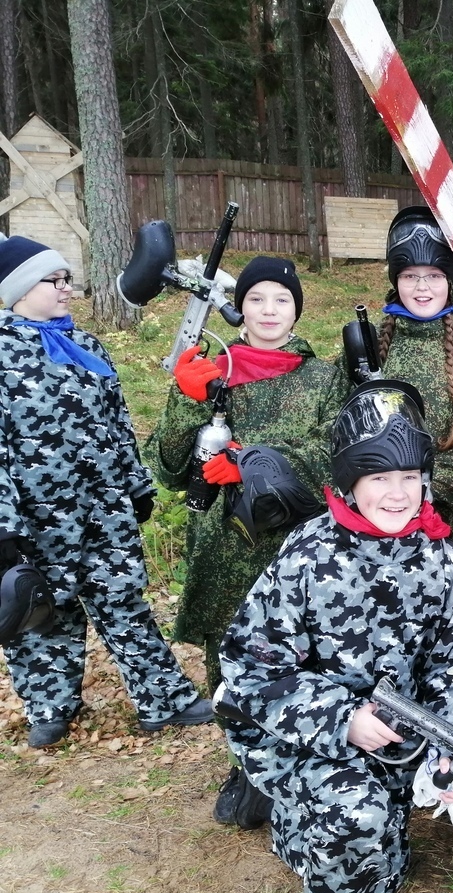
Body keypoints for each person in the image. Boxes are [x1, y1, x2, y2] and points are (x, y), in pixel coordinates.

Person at [219, 379, 453, 893]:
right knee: (359, 817)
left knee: (392, 849)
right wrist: (342, 719)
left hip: (403, 734)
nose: (397, 495)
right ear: (350, 481)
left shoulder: (443, 557)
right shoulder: (306, 554)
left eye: (409, 479)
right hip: (312, 737)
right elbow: (248, 666)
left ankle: (321, 825)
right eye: (379, 479)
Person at [148, 256, 345, 824]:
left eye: (281, 300)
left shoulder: (324, 377)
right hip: (223, 548)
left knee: (305, 654)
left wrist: (253, 464)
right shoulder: (213, 374)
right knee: (229, 659)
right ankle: (248, 763)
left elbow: (335, 460)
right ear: (240, 308)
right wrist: (185, 399)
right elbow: (167, 466)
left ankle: (306, 758)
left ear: (296, 310)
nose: (268, 310)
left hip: (297, 548)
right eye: (257, 298)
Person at [0, 233, 213, 748]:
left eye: (67, 279)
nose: (66, 289)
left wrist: (137, 487)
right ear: (19, 289)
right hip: (40, 520)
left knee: (124, 603)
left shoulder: (87, 347)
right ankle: (50, 709)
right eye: (54, 281)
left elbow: (117, 426)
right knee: (47, 614)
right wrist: (5, 530)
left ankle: (163, 701)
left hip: (105, 510)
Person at [341, 205, 453, 570]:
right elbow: (336, 422)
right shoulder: (369, 347)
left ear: (449, 280)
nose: (422, 287)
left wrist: (423, 487)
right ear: (396, 281)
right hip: (377, 521)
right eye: (410, 276)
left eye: (433, 276)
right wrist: (385, 491)